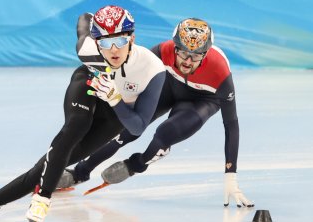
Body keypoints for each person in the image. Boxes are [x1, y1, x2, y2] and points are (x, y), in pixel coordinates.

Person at [0, 5, 166, 222]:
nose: (113, 50)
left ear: (132, 38)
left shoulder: (152, 68)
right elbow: (84, 19)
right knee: (77, 125)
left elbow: (138, 126)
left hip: (117, 112)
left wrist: (115, 98)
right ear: (96, 41)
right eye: (105, 42)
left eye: (120, 42)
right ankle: (42, 197)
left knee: (48, 166)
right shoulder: (88, 49)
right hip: (89, 85)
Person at [58, 18, 253, 208]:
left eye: (196, 55)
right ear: (174, 46)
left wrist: (231, 176)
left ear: (206, 53)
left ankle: (137, 164)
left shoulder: (220, 72)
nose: (187, 61)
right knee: (123, 130)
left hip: (201, 100)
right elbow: (132, 72)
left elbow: (231, 124)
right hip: (169, 86)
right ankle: (80, 172)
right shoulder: (162, 51)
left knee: (165, 133)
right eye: (183, 53)